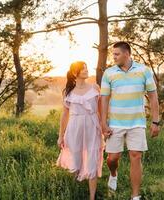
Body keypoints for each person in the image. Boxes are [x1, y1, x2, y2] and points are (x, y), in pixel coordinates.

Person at [100, 41, 160, 200]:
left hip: (137, 123)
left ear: (127, 54)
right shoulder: (109, 73)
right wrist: (103, 123)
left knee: (136, 156)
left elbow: (153, 96)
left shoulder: (143, 70)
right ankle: (113, 174)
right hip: (115, 123)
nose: (113, 57)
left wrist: (155, 121)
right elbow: (104, 99)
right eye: (113, 54)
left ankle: (135, 196)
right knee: (112, 158)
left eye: (117, 54)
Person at [56, 61, 104, 200]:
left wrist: (104, 127)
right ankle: (74, 192)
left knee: (92, 160)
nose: (86, 70)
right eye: (83, 69)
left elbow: (101, 110)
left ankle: (92, 197)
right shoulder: (68, 92)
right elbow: (64, 115)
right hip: (74, 127)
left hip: (92, 126)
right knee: (75, 161)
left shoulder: (95, 88)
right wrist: (61, 136)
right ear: (75, 73)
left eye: (86, 68)